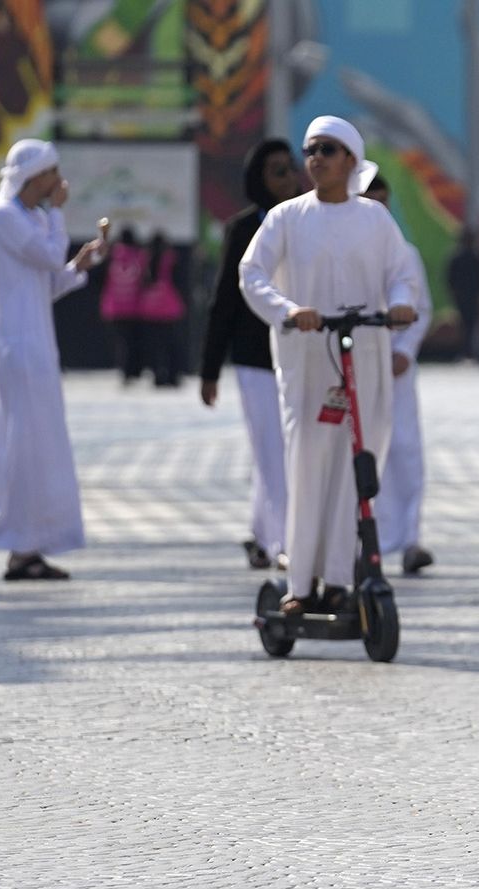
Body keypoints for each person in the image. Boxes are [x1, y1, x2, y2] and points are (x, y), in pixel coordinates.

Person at [238, 115, 421, 614]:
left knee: (355, 469)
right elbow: (252, 274)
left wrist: (401, 304)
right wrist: (288, 311)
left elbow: (402, 275)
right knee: (307, 465)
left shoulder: (375, 220)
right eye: (311, 150)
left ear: (351, 160)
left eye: (328, 149)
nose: (316, 158)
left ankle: (340, 578)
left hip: (363, 357)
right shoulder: (286, 218)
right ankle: (300, 583)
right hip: (309, 363)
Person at [0, 139, 105, 582]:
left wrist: (81, 266)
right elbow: (50, 256)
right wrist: (58, 214)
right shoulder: (4, 217)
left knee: (38, 450)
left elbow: (47, 283)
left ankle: (24, 551)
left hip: (35, 345)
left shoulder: (27, 219)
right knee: (19, 450)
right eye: (53, 173)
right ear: (36, 177)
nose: (59, 182)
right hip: (19, 348)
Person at [202, 138, 299, 571]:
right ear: (258, 178)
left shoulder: (304, 220)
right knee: (272, 450)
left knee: (278, 449)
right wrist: (209, 370)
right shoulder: (243, 228)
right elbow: (224, 299)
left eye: (289, 168)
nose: (286, 177)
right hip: (254, 356)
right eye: (275, 170)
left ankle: (261, 534)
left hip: (297, 353)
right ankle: (284, 542)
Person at [362, 173, 436, 575]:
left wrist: (404, 350)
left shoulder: (405, 253)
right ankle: (361, 539)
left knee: (406, 451)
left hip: (397, 371)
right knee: (359, 454)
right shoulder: (348, 253)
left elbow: (420, 308)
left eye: (383, 200)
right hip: (354, 370)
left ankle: (410, 539)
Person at [98, 227, 149, 384]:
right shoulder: (141, 256)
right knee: (135, 341)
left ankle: (125, 371)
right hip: (135, 306)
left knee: (122, 342)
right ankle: (135, 371)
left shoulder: (112, 256)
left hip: (114, 307)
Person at [137, 231, 186, 388]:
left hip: (150, 307)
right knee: (171, 343)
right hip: (169, 306)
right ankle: (173, 375)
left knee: (155, 344)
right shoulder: (171, 258)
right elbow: (180, 281)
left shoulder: (145, 259)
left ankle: (157, 375)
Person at [447, 228, 479, 361]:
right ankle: (470, 352)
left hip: (462, 297)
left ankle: (465, 351)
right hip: (472, 296)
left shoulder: (457, 258)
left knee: (464, 325)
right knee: (471, 325)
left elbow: (450, 278)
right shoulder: (477, 257)